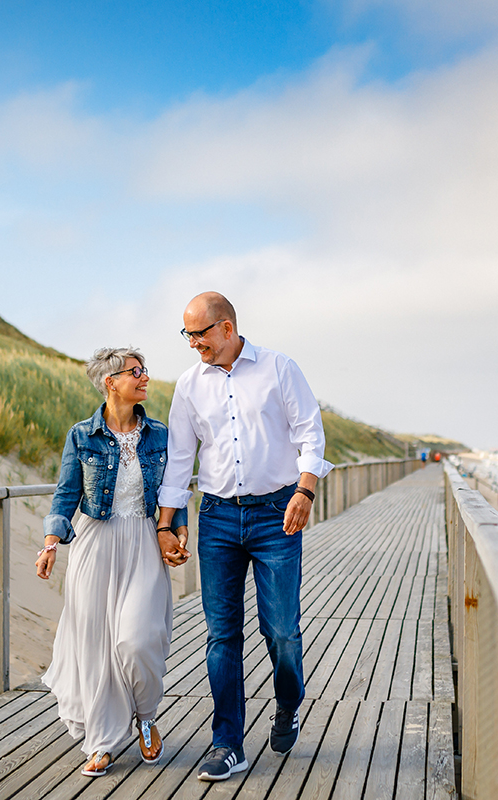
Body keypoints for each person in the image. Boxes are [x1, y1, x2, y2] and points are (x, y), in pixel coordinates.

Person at [156, 292, 333, 782]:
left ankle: (287, 702)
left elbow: (309, 433)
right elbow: (177, 458)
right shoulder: (190, 386)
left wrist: (305, 490)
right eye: (187, 335)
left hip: (278, 514)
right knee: (221, 634)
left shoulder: (279, 368)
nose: (193, 345)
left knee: (281, 630)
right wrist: (165, 522)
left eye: (200, 334)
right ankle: (227, 742)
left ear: (228, 328)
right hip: (216, 519)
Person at [35, 347, 181, 777]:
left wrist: (178, 529)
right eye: (135, 372)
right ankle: (102, 740)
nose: (145, 378)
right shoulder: (82, 435)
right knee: (97, 649)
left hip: (143, 541)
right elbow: (65, 494)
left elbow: (174, 490)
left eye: (145, 370)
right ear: (110, 382)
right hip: (95, 545)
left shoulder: (160, 434)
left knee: (137, 640)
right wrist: (49, 543)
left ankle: (146, 715)